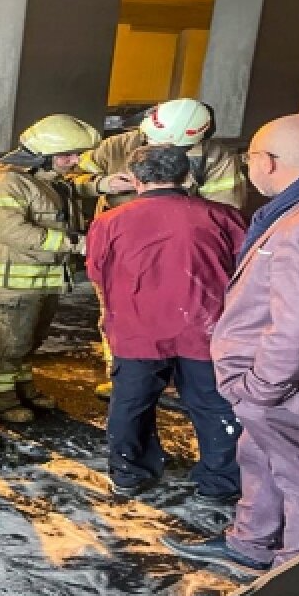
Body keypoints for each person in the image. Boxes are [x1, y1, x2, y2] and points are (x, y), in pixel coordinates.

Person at [163, 112, 299, 575]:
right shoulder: (297, 212)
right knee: (260, 457)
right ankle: (252, 544)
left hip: (283, 388)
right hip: (278, 388)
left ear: (269, 161)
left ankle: (293, 581)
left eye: (249, 157)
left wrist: (261, 388)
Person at [85, 144, 245, 500]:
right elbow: (244, 270)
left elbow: (96, 271)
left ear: (136, 178)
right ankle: (221, 482)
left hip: (136, 330)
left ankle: (129, 473)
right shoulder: (222, 215)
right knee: (214, 404)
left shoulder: (110, 222)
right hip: (205, 327)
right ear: (186, 174)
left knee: (131, 402)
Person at [72, 99, 247, 400]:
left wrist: (173, 196)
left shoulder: (218, 159)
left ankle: (181, 378)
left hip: (181, 252)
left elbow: (224, 214)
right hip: (125, 248)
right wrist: (101, 184)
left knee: (185, 313)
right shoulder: (118, 146)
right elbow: (66, 178)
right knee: (119, 314)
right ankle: (124, 378)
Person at [0, 114, 96, 423]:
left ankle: (21, 386)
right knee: (9, 341)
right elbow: (11, 231)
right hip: (11, 283)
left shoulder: (47, 182)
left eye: (77, 154)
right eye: (67, 155)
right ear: (40, 156)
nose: (75, 160)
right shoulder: (4, 184)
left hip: (40, 280)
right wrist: (74, 244)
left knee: (29, 340)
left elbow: (77, 190)